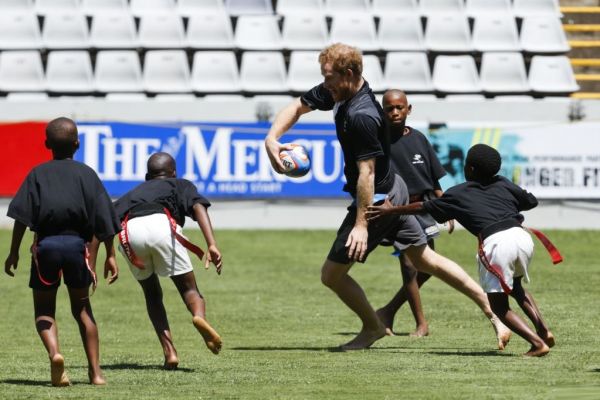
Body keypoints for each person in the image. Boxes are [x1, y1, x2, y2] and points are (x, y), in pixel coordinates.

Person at [264, 43, 511, 351]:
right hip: (394, 187)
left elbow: (366, 174)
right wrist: (272, 138)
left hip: (380, 200)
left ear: (348, 73)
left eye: (328, 77)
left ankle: (372, 327)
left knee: (331, 275)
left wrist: (361, 225)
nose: (325, 83)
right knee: (425, 260)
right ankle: (495, 313)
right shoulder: (338, 91)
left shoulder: (362, 116)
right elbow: (297, 107)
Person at [367, 144, 555, 357]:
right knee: (517, 288)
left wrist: (392, 210)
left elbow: (424, 207)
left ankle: (537, 344)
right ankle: (543, 331)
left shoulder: (458, 193)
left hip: (497, 244)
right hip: (522, 238)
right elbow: (530, 201)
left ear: (470, 169)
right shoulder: (503, 183)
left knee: (499, 307)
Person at [4, 117, 120, 386]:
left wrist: (14, 252)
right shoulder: (87, 174)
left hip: (46, 248)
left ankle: (55, 353)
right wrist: (111, 255)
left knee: (44, 310)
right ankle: (96, 374)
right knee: (83, 310)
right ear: (77, 144)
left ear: (47, 144)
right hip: (78, 248)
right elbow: (104, 218)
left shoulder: (37, 173)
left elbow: (21, 216)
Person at [114, 152, 223, 369]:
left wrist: (106, 257)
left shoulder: (132, 193)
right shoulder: (179, 184)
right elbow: (198, 206)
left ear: (147, 176)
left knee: (152, 294)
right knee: (189, 290)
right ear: (173, 173)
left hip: (130, 232)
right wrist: (211, 244)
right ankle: (198, 317)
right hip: (162, 225)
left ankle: (169, 352)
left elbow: (105, 223)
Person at [376, 89, 455, 337]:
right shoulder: (378, 141)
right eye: (389, 108)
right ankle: (421, 325)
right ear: (382, 112)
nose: (395, 112)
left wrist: (446, 207)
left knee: (427, 268)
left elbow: (434, 179)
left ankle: (387, 311)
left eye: (399, 107)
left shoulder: (419, 138)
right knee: (410, 266)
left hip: (423, 209)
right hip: (397, 210)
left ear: (408, 109)